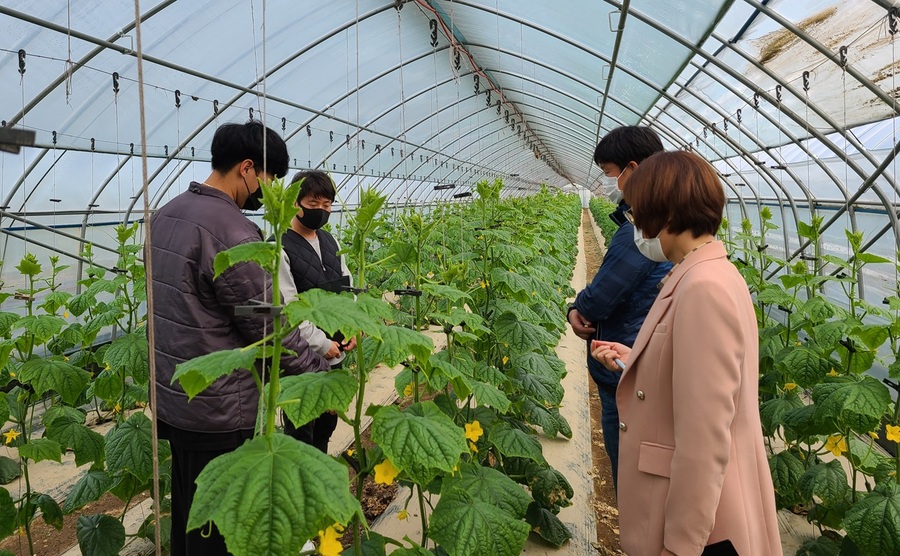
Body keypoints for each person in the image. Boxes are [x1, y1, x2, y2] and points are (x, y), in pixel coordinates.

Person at [150, 121, 330, 555]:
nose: (268, 194)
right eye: (269, 181)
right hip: (221, 409)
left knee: (194, 514)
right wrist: (319, 373)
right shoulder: (230, 230)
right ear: (248, 168)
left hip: (178, 394)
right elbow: (262, 319)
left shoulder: (165, 214)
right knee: (226, 530)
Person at [591, 150, 782, 556]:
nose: (636, 225)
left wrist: (681, 545)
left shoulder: (703, 288)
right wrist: (636, 356)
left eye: (638, 212)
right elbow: (697, 376)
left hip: (701, 522)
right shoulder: (709, 272)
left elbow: (704, 438)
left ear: (665, 213)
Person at [567, 126, 672, 490]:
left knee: (629, 472)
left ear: (633, 167)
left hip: (626, 364)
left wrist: (576, 306)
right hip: (642, 355)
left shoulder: (639, 230)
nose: (614, 184)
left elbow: (600, 298)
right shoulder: (657, 225)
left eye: (613, 175)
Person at [277, 170, 356, 453]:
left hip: (336, 349)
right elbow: (288, 308)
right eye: (313, 205)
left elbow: (346, 286)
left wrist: (351, 327)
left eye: (327, 205)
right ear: (295, 203)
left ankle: (318, 483)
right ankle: (300, 492)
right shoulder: (280, 246)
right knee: (301, 428)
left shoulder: (330, 241)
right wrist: (322, 345)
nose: (322, 211)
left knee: (326, 424)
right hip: (302, 356)